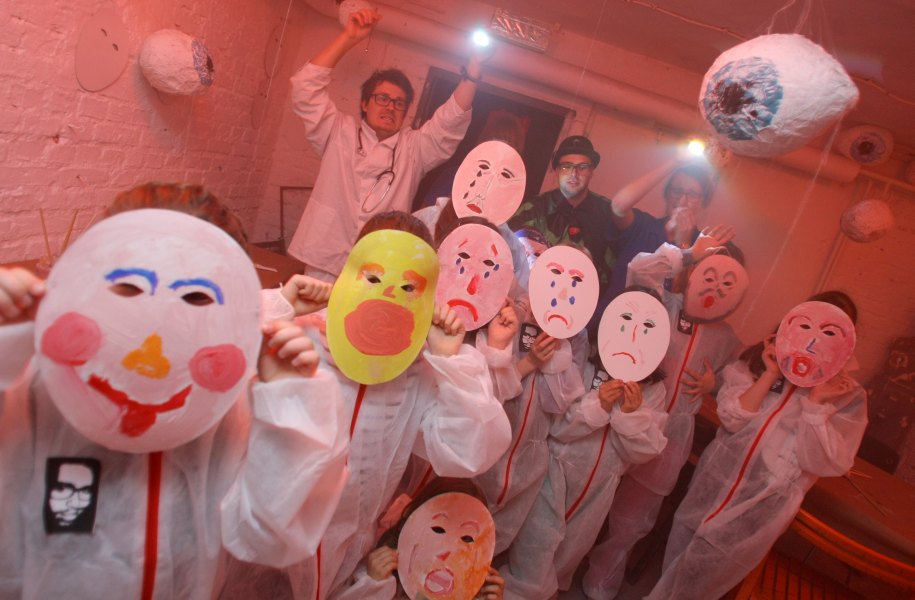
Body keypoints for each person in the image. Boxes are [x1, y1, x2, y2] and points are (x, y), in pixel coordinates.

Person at [0, 183, 349, 600]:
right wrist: (6, 348)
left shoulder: (228, 405)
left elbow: (267, 537)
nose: (157, 323)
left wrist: (289, 402)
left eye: (194, 297)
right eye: (130, 287)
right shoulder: (42, 382)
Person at [224, 211, 512, 600]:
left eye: (408, 286)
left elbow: (466, 454)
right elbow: (214, 371)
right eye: (374, 278)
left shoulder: (420, 371)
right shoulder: (301, 333)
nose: (388, 295)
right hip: (264, 525)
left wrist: (452, 360)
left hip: (347, 545)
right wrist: (279, 307)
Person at [645, 292, 867, 600]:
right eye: (807, 325)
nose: (814, 339)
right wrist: (771, 373)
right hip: (714, 483)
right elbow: (732, 419)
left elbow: (824, 462)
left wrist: (816, 404)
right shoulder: (757, 361)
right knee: (678, 555)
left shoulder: (845, 394)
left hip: (758, 507)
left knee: (700, 583)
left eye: (830, 332)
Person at [582, 226, 745, 599]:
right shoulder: (661, 303)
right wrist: (689, 253)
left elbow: (736, 386)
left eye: (728, 284)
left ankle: (600, 580)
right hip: (621, 417)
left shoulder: (727, 339)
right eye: (710, 274)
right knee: (587, 495)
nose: (716, 288)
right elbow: (640, 269)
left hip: (669, 438)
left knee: (630, 521)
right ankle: (563, 561)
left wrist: (713, 385)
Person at [286, 7, 487, 281]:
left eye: (398, 103)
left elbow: (449, 122)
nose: (390, 107)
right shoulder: (337, 131)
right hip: (324, 259)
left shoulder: (414, 149)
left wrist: (473, 73)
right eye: (382, 98)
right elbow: (304, 88)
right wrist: (348, 38)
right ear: (364, 103)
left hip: (377, 268)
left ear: (405, 112)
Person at [500, 322, 669, 600]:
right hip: (553, 472)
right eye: (625, 325)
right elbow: (557, 424)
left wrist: (631, 415)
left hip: (600, 488)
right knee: (534, 550)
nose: (633, 336)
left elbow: (645, 451)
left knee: (565, 558)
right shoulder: (584, 358)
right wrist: (598, 404)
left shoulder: (653, 390)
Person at [331, 477, 506, 599]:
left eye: (466, 538)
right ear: (411, 519)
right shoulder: (385, 579)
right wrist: (372, 586)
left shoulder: (471, 592)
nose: (446, 551)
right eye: (438, 529)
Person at [508, 135, 616, 296]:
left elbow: (613, 273)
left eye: (583, 167)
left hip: (582, 304)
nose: (574, 173)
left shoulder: (608, 213)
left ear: (591, 171)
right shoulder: (532, 209)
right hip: (529, 299)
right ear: (557, 170)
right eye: (566, 166)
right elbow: (507, 258)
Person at [603, 157, 715, 302]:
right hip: (610, 312)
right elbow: (619, 206)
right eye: (677, 191)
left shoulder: (703, 245)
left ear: (703, 202)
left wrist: (684, 244)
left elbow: (680, 297)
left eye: (692, 195)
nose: (682, 201)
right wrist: (674, 162)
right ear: (666, 194)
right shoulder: (643, 226)